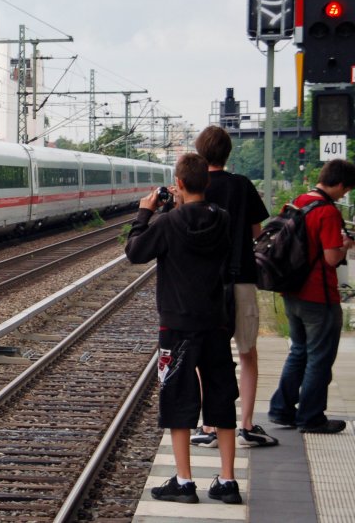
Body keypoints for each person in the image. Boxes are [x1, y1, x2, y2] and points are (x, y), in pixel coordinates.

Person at [125, 153, 241, 505]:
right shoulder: (222, 219)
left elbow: (134, 252)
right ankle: (227, 480)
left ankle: (185, 481)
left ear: (178, 184)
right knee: (222, 395)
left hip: (176, 326)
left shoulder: (166, 223)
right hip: (215, 323)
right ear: (205, 182)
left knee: (177, 397)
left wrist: (147, 212)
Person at [190, 126, 276, 448]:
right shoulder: (242, 186)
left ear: (200, 153)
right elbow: (257, 231)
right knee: (247, 353)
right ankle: (247, 425)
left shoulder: (197, 187)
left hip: (206, 284)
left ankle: (209, 426)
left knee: (206, 357)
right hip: (241, 279)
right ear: (229, 153)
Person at [268, 158, 355, 434]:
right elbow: (331, 258)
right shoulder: (327, 212)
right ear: (340, 184)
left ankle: (282, 410)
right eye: (346, 190)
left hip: (291, 291)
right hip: (319, 296)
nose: (344, 195)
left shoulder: (298, 201)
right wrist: (346, 246)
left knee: (299, 351)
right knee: (319, 357)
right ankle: (311, 417)